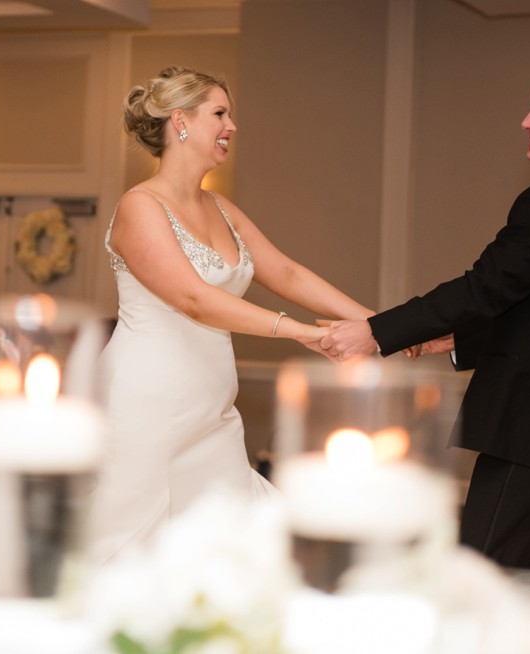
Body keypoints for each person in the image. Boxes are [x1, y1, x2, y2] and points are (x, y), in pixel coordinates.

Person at [320, 62, 530, 572]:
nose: (525, 121)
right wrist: (445, 344)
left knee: (479, 587)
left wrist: (374, 334)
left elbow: (485, 287)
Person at [89, 66, 374, 566]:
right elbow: (193, 298)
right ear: (180, 122)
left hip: (211, 411)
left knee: (242, 546)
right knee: (135, 553)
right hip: (146, 404)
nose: (232, 126)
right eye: (220, 113)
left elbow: (286, 273)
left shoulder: (220, 206)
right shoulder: (139, 206)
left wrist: (381, 324)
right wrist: (301, 333)